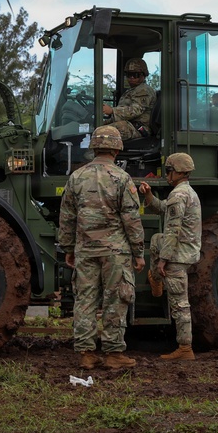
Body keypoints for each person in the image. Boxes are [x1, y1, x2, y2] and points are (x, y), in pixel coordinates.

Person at [58, 125, 146, 369]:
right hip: (115, 253)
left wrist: (68, 249)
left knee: (85, 300)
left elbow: (67, 217)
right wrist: (138, 252)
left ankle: (86, 353)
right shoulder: (122, 178)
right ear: (117, 149)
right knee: (116, 300)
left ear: (94, 147)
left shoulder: (76, 177)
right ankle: (113, 353)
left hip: (85, 250)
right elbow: (131, 218)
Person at [138, 152, 202, 361]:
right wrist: (148, 195)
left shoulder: (178, 195)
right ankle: (156, 280)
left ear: (179, 172)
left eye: (169, 171)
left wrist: (163, 261)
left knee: (179, 303)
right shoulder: (187, 192)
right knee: (157, 238)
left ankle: (185, 348)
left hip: (177, 256)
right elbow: (163, 209)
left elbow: (173, 229)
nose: (167, 175)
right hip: (185, 251)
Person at [103, 58, 156, 140]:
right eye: (128, 74)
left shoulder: (144, 90)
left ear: (143, 75)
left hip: (139, 128)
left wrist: (112, 111)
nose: (131, 78)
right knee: (97, 127)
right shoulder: (132, 90)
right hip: (129, 124)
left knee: (104, 133)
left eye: (135, 75)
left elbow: (135, 110)